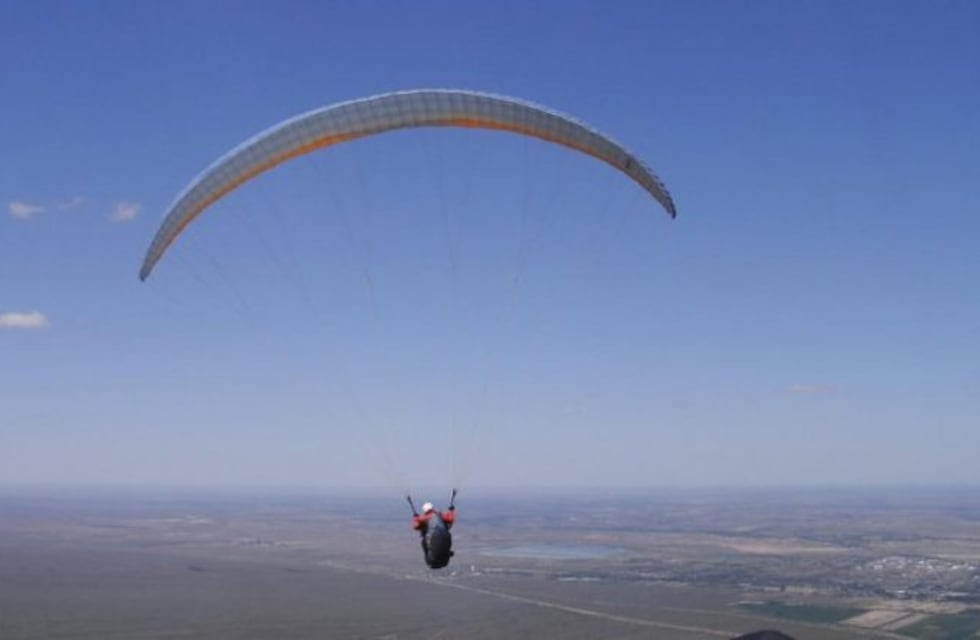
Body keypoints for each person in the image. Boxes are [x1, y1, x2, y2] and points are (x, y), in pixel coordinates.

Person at [409, 494, 456, 569]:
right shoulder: (440, 515)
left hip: (433, 538)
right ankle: (446, 553)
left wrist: (416, 518)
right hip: (446, 537)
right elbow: (450, 519)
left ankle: (434, 556)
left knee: (425, 545)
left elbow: (416, 526)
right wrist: (451, 510)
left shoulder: (425, 517)